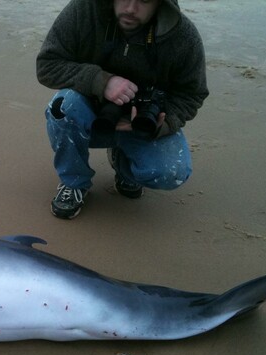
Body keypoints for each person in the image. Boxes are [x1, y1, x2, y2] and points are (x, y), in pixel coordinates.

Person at [37, 0, 208, 219]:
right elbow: (47, 65)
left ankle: (124, 164)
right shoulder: (83, 11)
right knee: (62, 106)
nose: (130, 8)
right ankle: (74, 182)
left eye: (144, 0)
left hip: (142, 124)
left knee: (171, 173)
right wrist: (101, 81)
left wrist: (164, 123)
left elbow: (192, 93)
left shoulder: (182, 35)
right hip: (90, 113)